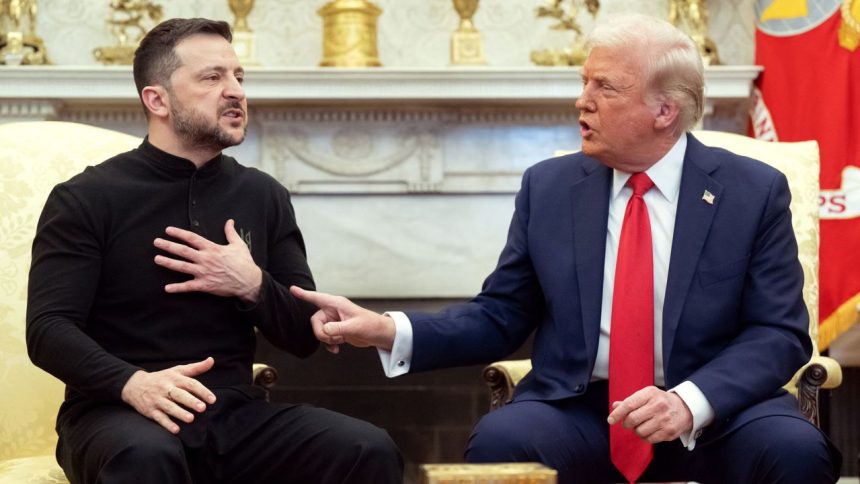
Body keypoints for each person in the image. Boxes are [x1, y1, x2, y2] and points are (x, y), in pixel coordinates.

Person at [288, 14, 841, 484]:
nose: (583, 101)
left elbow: (779, 332)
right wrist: (389, 329)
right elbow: (501, 315)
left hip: (717, 410)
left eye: (606, 87)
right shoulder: (550, 188)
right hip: (583, 408)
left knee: (793, 453)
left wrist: (689, 401)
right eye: (584, 83)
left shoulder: (752, 191)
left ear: (665, 110)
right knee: (503, 441)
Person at [26, 17, 402, 484]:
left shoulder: (264, 195)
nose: (236, 91)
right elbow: (48, 330)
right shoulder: (86, 196)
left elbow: (303, 336)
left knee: (365, 448)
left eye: (239, 77)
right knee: (146, 457)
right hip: (115, 413)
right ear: (156, 99)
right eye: (212, 77)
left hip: (231, 413)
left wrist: (253, 286)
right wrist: (134, 384)